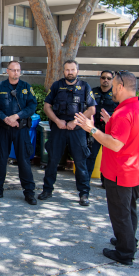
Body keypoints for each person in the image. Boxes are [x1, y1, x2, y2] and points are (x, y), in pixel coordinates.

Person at [74, 70, 139, 265]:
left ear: (121, 87)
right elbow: (129, 135)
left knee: (120, 214)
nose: (112, 90)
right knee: (129, 210)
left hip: (120, 173)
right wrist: (111, 122)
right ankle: (129, 240)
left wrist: (91, 129)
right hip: (134, 171)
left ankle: (125, 252)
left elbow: (115, 143)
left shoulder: (124, 112)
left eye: (114, 86)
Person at [40, 60, 96, 206]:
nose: (70, 72)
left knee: (80, 163)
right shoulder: (57, 85)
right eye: (67, 70)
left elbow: (91, 109)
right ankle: (47, 190)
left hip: (77, 130)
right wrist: (57, 121)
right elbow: (47, 106)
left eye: (72, 69)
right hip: (59, 129)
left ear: (77, 70)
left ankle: (84, 194)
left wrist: (75, 122)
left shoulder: (84, 86)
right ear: (63, 71)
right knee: (52, 161)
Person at [0, 61, 38, 204]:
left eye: (18, 70)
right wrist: (5, 118)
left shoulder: (26, 87)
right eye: (13, 70)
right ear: (7, 71)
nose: (16, 73)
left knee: (23, 161)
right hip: (4, 129)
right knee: (1, 160)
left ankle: (29, 192)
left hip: (21, 129)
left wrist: (17, 116)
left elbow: (32, 106)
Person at [86, 70, 118, 188]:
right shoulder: (93, 92)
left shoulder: (116, 94)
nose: (106, 80)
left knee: (108, 158)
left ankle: (106, 182)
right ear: (100, 79)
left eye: (109, 78)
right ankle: (85, 181)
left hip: (109, 131)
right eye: (103, 77)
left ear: (112, 80)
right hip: (95, 129)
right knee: (91, 155)